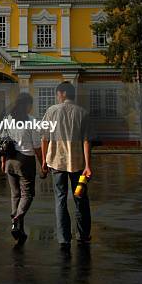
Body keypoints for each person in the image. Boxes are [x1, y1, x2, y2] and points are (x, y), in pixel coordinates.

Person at [41, 81, 92, 251]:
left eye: (57, 93)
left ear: (62, 93)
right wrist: (88, 165)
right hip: (78, 165)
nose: (57, 96)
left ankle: (64, 239)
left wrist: (43, 161)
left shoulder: (51, 111)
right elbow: (86, 140)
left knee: (60, 198)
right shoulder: (82, 113)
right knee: (80, 198)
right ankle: (83, 235)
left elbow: (45, 138)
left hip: (57, 163)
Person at [1, 92, 43, 244]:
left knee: (15, 194)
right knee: (28, 194)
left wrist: (2, 161)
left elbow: (3, 142)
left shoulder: (7, 119)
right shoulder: (31, 121)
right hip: (25, 160)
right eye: (30, 104)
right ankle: (18, 217)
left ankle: (19, 229)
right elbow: (37, 146)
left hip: (10, 161)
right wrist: (43, 163)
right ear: (26, 105)